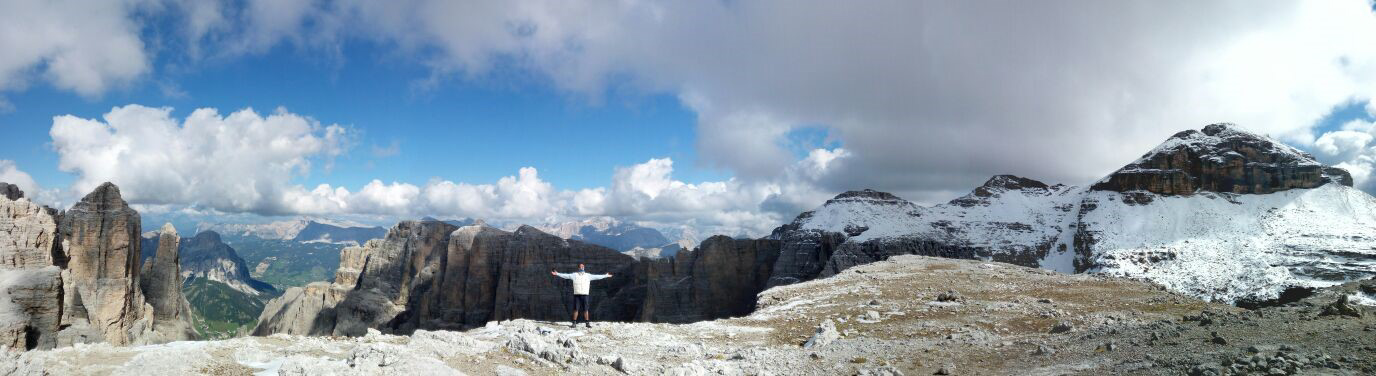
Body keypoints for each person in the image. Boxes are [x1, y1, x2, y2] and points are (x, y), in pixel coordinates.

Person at [551, 263, 612, 328]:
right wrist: (557, 274)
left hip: (585, 295)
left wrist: (606, 275)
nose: (582, 267)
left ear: (584, 267)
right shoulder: (574, 275)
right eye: (580, 267)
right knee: (576, 309)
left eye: (583, 266)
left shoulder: (588, 275)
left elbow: (597, 277)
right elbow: (566, 276)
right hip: (577, 295)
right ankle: (574, 323)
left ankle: (587, 323)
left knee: (586, 309)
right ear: (578, 268)